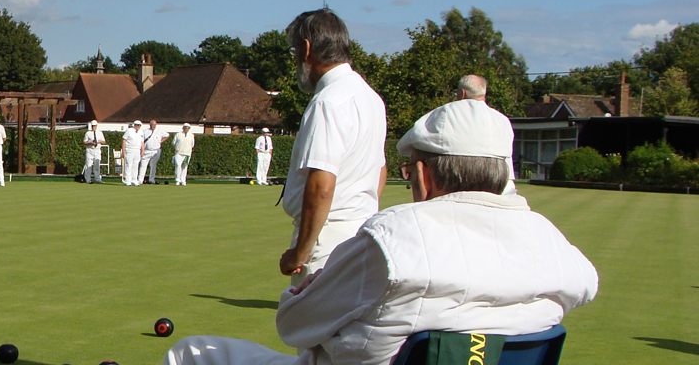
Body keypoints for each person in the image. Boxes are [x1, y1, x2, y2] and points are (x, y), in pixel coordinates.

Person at [163, 99, 598, 365]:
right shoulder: (553, 244)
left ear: (424, 176)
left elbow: (294, 327)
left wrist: (304, 292)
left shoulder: (396, 235)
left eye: (409, 173)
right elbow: (582, 285)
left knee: (191, 354)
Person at [278, 8, 387, 287]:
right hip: (361, 237)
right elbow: (380, 171)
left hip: (326, 243)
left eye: (294, 52)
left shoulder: (327, 101)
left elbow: (321, 186)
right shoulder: (371, 98)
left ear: (306, 49)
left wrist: (300, 253)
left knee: (309, 330)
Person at [455, 75, 518, 196]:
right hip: (506, 184)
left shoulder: (457, 116)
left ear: (462, 93)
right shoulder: (503, 119)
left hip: (476, 186)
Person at [140, 120, 168, 185]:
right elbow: (141, 140)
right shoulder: (145, 131)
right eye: (152, 124)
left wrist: (160, 141)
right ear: (150, 125)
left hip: (156, 151)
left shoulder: (159, 131)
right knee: (143, 165)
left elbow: (167, 135)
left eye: (154, 124)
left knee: (153, 165)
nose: (153, 126)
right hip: (147, 150)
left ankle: (151, 179)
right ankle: (140, 179)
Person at [121, 121, 144, 186]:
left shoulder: (141, 132)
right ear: (134, 125)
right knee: (128, 164)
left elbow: (142, 142)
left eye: (139, 125)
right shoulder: (129, 130)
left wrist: (142, 151)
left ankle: (134, 180)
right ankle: (128, 180)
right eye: (137, 125)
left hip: (137, 150)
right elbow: (124, 140)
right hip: (129, 149)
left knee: (135, 165)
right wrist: (123, 150)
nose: (138, 126)